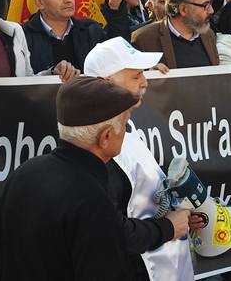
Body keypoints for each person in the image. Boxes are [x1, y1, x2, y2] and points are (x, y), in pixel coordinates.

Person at [0, 77, 142, 279]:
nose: (126, 132)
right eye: (125, 125)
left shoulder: (25, 172)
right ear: (106, 137)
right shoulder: (92, 200)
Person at [82, 39, 200, 281]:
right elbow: (111, 232)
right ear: (108, 83)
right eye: (136, 76)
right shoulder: (99, 147)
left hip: (167, 263)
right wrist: (167, 227)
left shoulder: (126, 126)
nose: (145, 82)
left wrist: (181, 214)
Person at [22, 0, 132, 78]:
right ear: (40, 3)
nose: (68, 0)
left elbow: (118, 53)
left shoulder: (90, 30)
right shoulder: (23, 36)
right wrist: (50, 74)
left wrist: (115, 8)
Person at [132, 0, 220, 69]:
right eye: (205, 5)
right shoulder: (144, 39)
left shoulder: (209, 35)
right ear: (183, 9)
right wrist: (150, 73)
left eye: (210, 3)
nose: (211, 11)